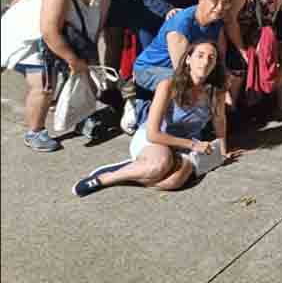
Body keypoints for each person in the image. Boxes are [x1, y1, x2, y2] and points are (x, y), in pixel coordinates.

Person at [73, 40, 239, 197]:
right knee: (160, 164)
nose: (205, 61)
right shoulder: (168, 85)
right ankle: (107, 178)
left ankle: (139, 170)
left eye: (212, 57)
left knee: (173, 182)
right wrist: (194, 145)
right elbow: (153, 133)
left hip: (186, 144)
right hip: (156, 140)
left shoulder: (217, 90)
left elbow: (219, 120)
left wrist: (221, 152)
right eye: (200, 55)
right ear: (188, 59)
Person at [15, 0, 109, 151]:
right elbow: (49, 33)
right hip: (29, 37)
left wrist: (83, 59)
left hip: (66, 32)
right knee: (44, 84)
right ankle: (34, 132)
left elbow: (97, 23)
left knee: (86, 73)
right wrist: (73, 60)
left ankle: (82, 117)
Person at [127, 0, 230, 129]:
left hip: (182, 68)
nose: (220, 7)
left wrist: (223, 85)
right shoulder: (181, 24)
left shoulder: (217, 23)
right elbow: (181, 71)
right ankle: (142, 112)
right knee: (176, 83)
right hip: (151, 68)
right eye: (215, 1)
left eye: (224, 3)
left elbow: (219, 56)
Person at [220, 0, 282, 109]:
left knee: (270, 52)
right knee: (239, 61)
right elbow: (229, 19)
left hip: (253, 27)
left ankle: (253, 103)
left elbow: (273, 13)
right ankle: (230, 109)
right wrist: (242, 50)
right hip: (224, 29)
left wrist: (262, 43)